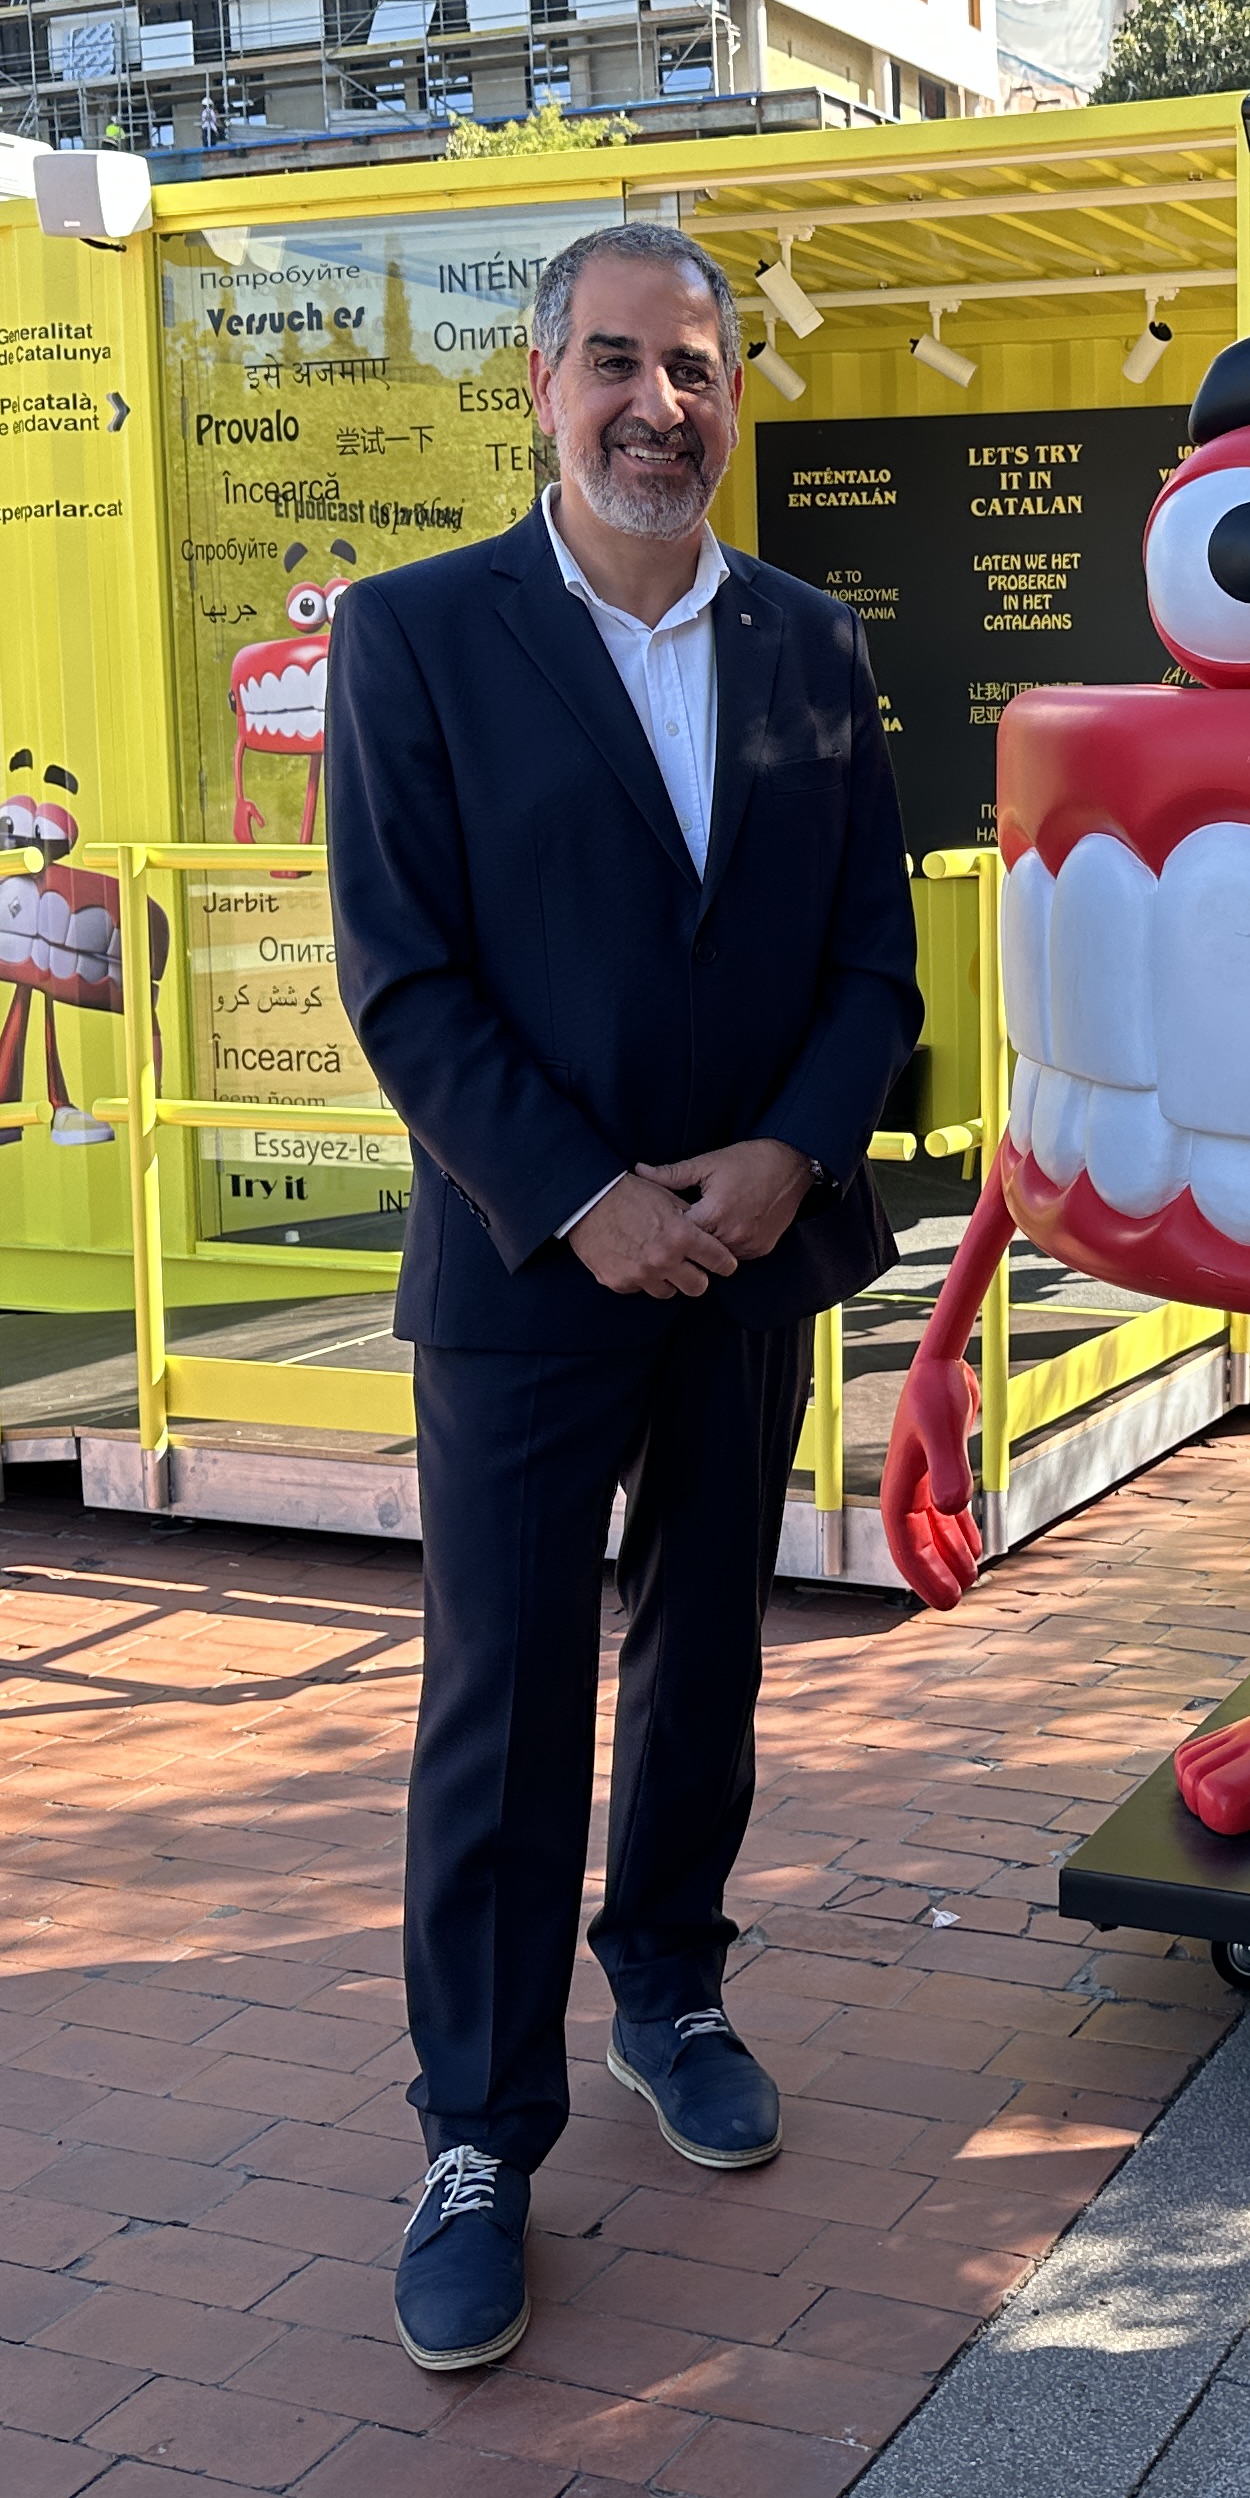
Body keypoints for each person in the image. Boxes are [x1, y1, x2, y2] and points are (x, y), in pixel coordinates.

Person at [325, 220, 920, 2374]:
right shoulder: (414, 638)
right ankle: (479, 2132)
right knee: (501, 1695)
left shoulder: (814, 648)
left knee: (706, 1652)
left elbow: (874, 961)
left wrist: (782, 1161)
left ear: (733, 396)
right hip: (527, 1267)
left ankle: (670, 1981)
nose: (657, 405)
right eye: (615, 363)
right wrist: (583, 1199)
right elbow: (401, 974)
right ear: (543, 388)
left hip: (748, 1250)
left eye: (695, 369)